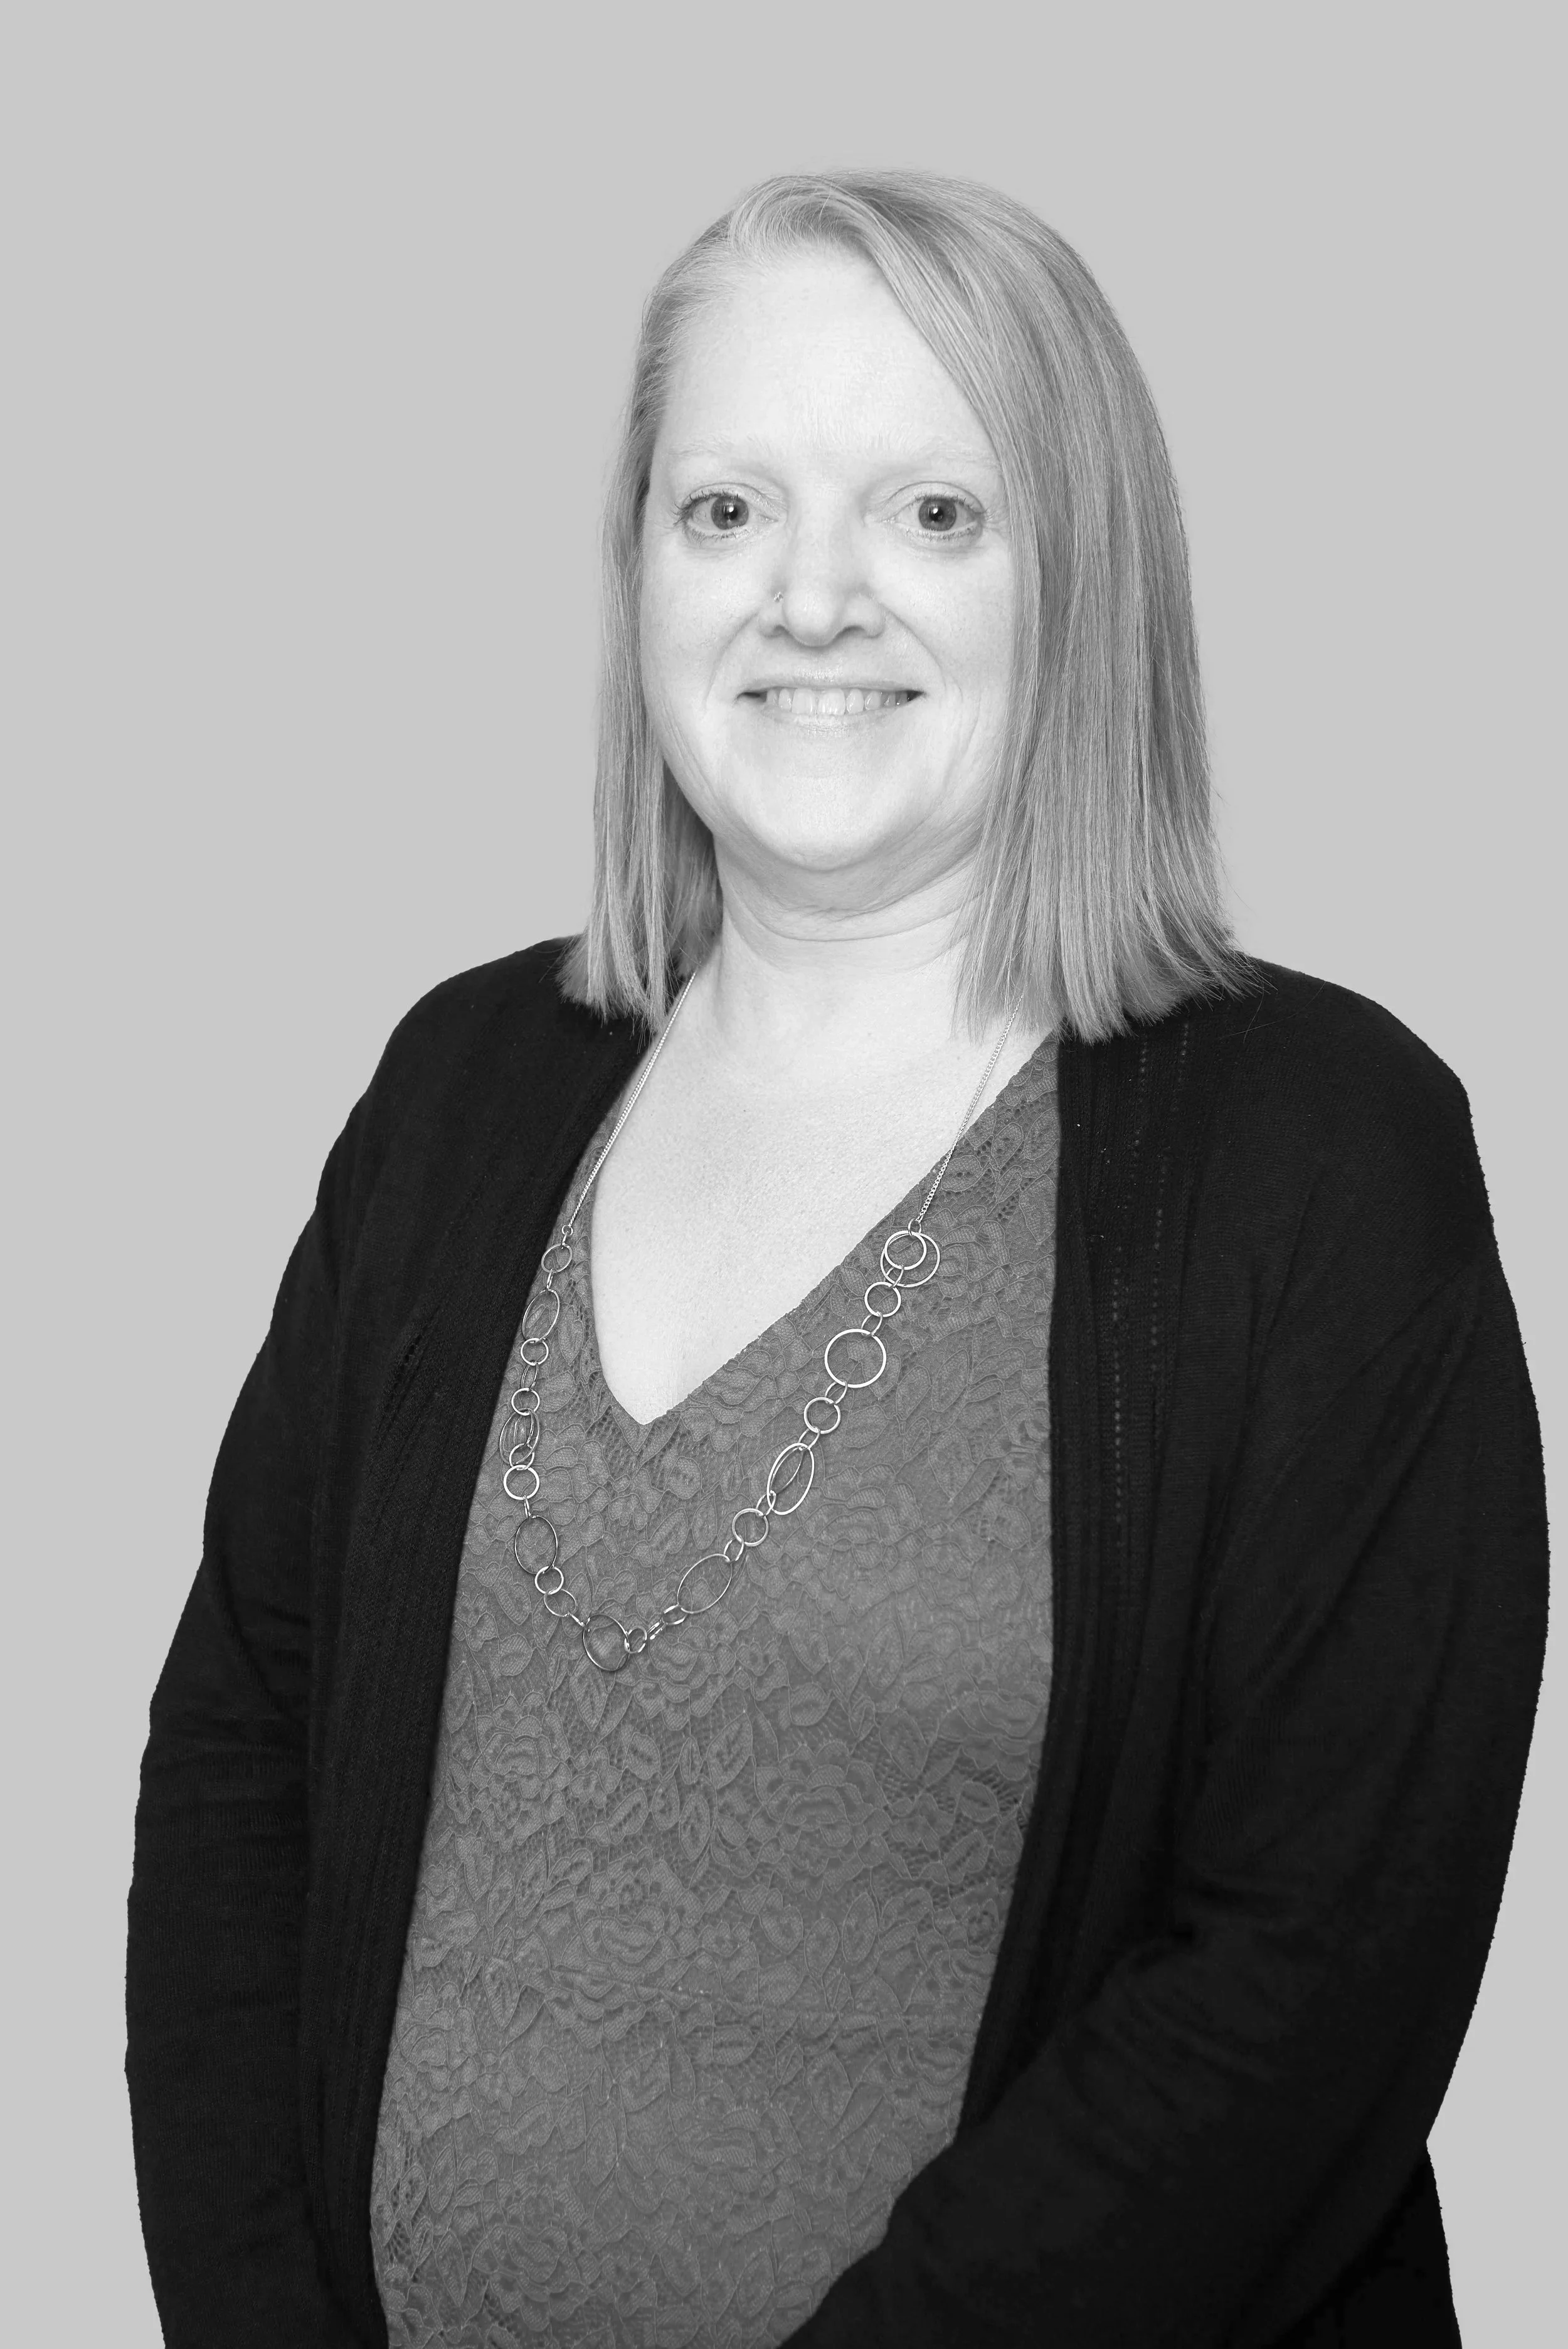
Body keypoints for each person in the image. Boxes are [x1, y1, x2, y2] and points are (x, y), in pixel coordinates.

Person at [125, 169, 1549, 2349]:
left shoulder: (1322, 1159)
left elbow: (1311, 1969)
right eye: (724, 512)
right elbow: (243, 1753)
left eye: (930, 516)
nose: (810, 597)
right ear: (635, 570)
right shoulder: (465, 1082)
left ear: (1084, 575)